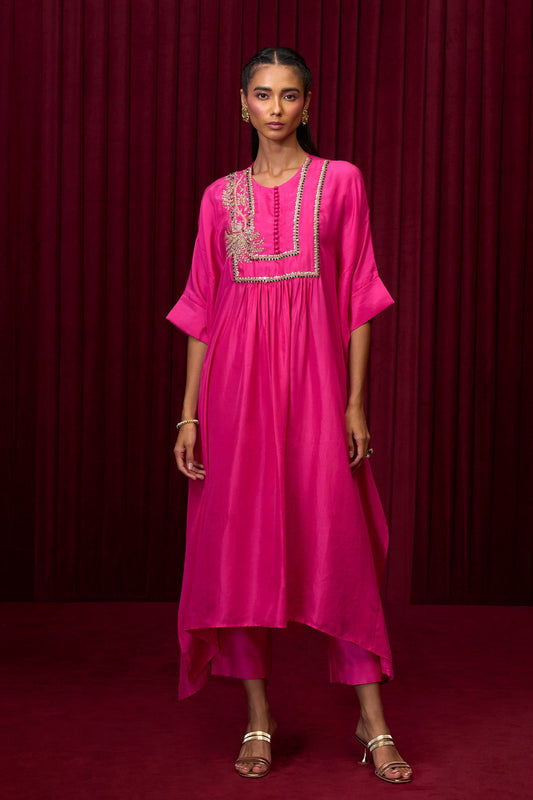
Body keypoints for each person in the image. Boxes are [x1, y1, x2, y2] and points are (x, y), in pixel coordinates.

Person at [166, 46, 413, 784]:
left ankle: (373, 723)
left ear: (308, 104)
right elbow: (202, 308)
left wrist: (355, 404)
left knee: (337, 542)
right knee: (241, 552)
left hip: (314, 388)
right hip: (235, 394)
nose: (275, 108)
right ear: (241, 104)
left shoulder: (341, 182)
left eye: (289, 94)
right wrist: (188, 416)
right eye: (262, 94)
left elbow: (359, 293)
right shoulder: (219, 198)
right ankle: (258, 718)